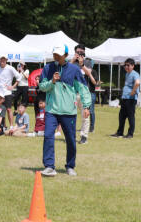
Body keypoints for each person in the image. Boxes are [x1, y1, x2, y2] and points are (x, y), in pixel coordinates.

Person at [39, 45, 91, 177]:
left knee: (71, 140)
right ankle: (49, 166)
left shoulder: (74, 69)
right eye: (54, 54)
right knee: (48, 136)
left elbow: (83, 88)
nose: (56, 57)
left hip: (69, 111)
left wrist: (86, 106)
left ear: (66, 55)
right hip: (52, 110)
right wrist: (52, 81)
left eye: (59, 54)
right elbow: (42, 87)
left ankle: (70, 166)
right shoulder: (47, 68)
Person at [72, 45, 98, 144]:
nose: (80, 54)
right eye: (78, 52)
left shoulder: (87, 62)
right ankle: (71, 136)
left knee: (85, 116)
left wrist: (82, 64)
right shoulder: (71, 62)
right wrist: (72, 60)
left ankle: (84, 136)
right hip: (73, 92)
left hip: (83, 93)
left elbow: (88, 73)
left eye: (81, 52)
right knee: (71, 115)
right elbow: (65, 71)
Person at [111, 58, 140, 139]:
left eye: (128, 65)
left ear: (133, 66)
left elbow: (137, 82)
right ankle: (120, 132)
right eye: (125, 65)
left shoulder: (135, 74)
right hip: (125, 98)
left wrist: (133, 91)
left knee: (130, 116)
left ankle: (130, 134)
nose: (126, 67)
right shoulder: (127, 74)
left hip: (131, 99)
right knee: (122, 116)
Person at [0, 56, 21, 128]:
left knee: (8, 109)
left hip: (7, 92)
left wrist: (13, 86)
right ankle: (1, 125)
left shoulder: (10, 68)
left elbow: (19, 77)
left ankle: (11, 126)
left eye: (4, 59)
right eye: (1, 59)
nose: (2, 60)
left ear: (6, 60)